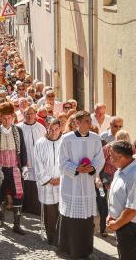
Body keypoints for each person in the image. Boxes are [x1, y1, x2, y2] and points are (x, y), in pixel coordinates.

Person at [58, 110, 105, 258]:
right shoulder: (66, 139)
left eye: (89, 120)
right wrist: (76, 169)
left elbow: (100, 158)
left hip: (87, 184)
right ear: (77, 123)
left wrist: (93, 168)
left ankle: (86, 249)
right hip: (71, 184)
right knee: (71, 219)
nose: (90, 123)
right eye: (86, 121)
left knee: (86, 219)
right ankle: (69, 248)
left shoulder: (96, 138)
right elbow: (61, 162)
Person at [0, 102, 28, 235]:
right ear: (0, 117)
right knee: (0, 194)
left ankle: (17, 224)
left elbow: (23, 150)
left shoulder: (18, 131)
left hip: (15, 168)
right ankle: (0, 219)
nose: (7, 120)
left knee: (18, 195)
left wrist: (25, 166)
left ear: (13, 117)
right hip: (1, 169)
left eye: (9, 117)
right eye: (4, 117)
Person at [34, 118, 62, 246]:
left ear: (60, 129)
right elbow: (37, 163)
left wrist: (61, 178)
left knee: (62, 211)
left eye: (56, 129)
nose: (54, 132)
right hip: (47, 184)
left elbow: (67, 162)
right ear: (47, 127)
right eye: (51, 128)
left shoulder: (64, 142)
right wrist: (49, 180)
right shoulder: (40, 143)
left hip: (62, 183)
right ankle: (52, 238)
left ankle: (62, 236)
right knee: (50, 213)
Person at [107, 140, 136, 260]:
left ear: (121, 157)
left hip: (130, 227)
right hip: (121, 224)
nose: (110, 159)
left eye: (112, 156)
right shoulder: (121, 169)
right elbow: (116, 196)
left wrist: (116, 224)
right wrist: (111, 215)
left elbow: (132, 209)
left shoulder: (134, 175)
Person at [17, 106, 46, 216]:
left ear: (35, 114)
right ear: (23, 115)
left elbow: (45, 143)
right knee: (27, 184)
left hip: (39, 161)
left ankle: (37, 208)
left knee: (38, 184)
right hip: (25, 161)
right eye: (27, 114)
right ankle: (26, 207)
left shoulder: (41, 128)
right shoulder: (18, 128)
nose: (29, 116)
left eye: (31, 113)